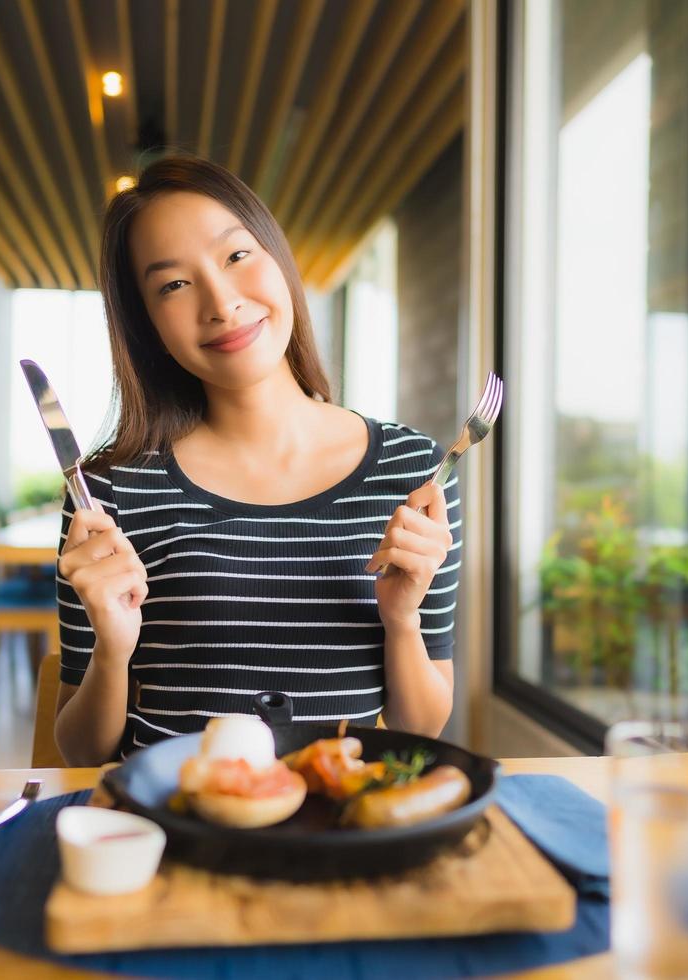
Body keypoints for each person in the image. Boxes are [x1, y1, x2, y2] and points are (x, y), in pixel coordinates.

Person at [52, 157, 460, 766]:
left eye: (237, 256)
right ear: (148, 325)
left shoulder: (412, 469)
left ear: (279, 259)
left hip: (336, 829)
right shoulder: (107, 491)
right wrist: (111, 651)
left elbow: (418, 727)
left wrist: (402, 621)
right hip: (178, 831)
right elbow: (83, 752)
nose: (221, 302)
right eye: (172, 285)